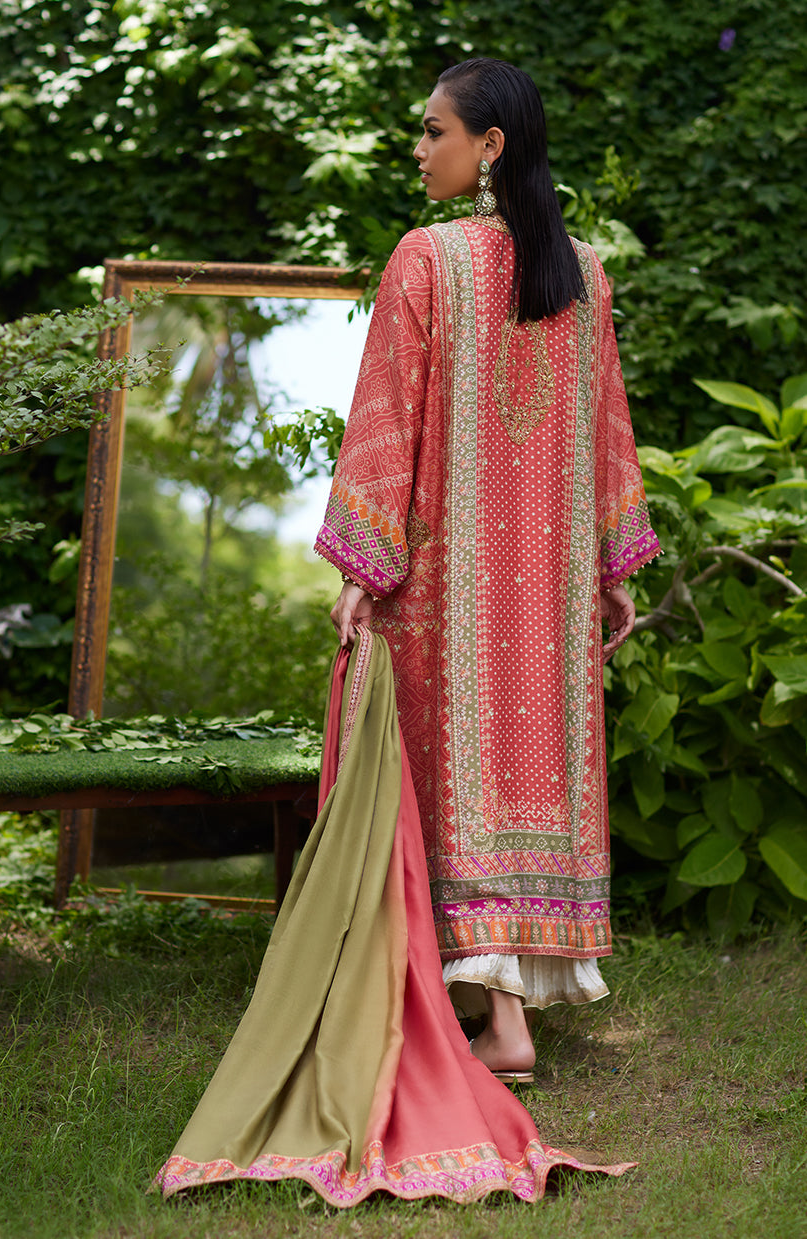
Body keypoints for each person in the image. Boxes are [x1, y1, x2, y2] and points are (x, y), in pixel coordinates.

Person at [316, 57, 660, 1081]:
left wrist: (363, 567)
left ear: (489, 146)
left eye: (434, 132)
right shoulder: (584, 270)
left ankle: (496, 1022)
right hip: (548, 591)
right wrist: (609, 564)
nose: (420, 150)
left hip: (446, 590)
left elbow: (386, 423)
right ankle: (506, 1012)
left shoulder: (426, 260)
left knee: (444, 773)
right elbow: (608, 431)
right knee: (519, 770)